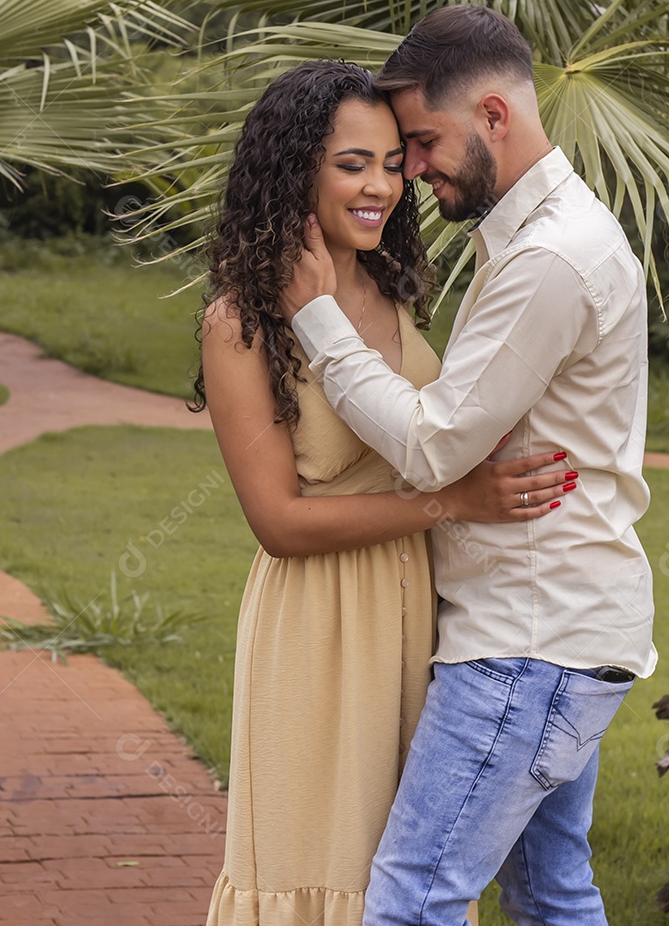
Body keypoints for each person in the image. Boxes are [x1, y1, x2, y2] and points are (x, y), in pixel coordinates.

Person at [280, 6, 657, 926]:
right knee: (553, 896)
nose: (408, 170)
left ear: (493, 115)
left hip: (527, 642)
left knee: (410, 901)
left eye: (419, 141)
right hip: (566, 631)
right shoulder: (542, 237)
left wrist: (316, 318)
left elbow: (431, 445)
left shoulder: (550, 259)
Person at [193, 59, 575, 926]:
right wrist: (453, 503)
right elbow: (279, 522)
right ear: (296, 173)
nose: (382, 187)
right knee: (322, 859)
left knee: (411, 876)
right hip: (318, 625)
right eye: (351, 164)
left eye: (392, 162)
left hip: (422, 617)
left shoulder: (391, 288)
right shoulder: (241, 321)